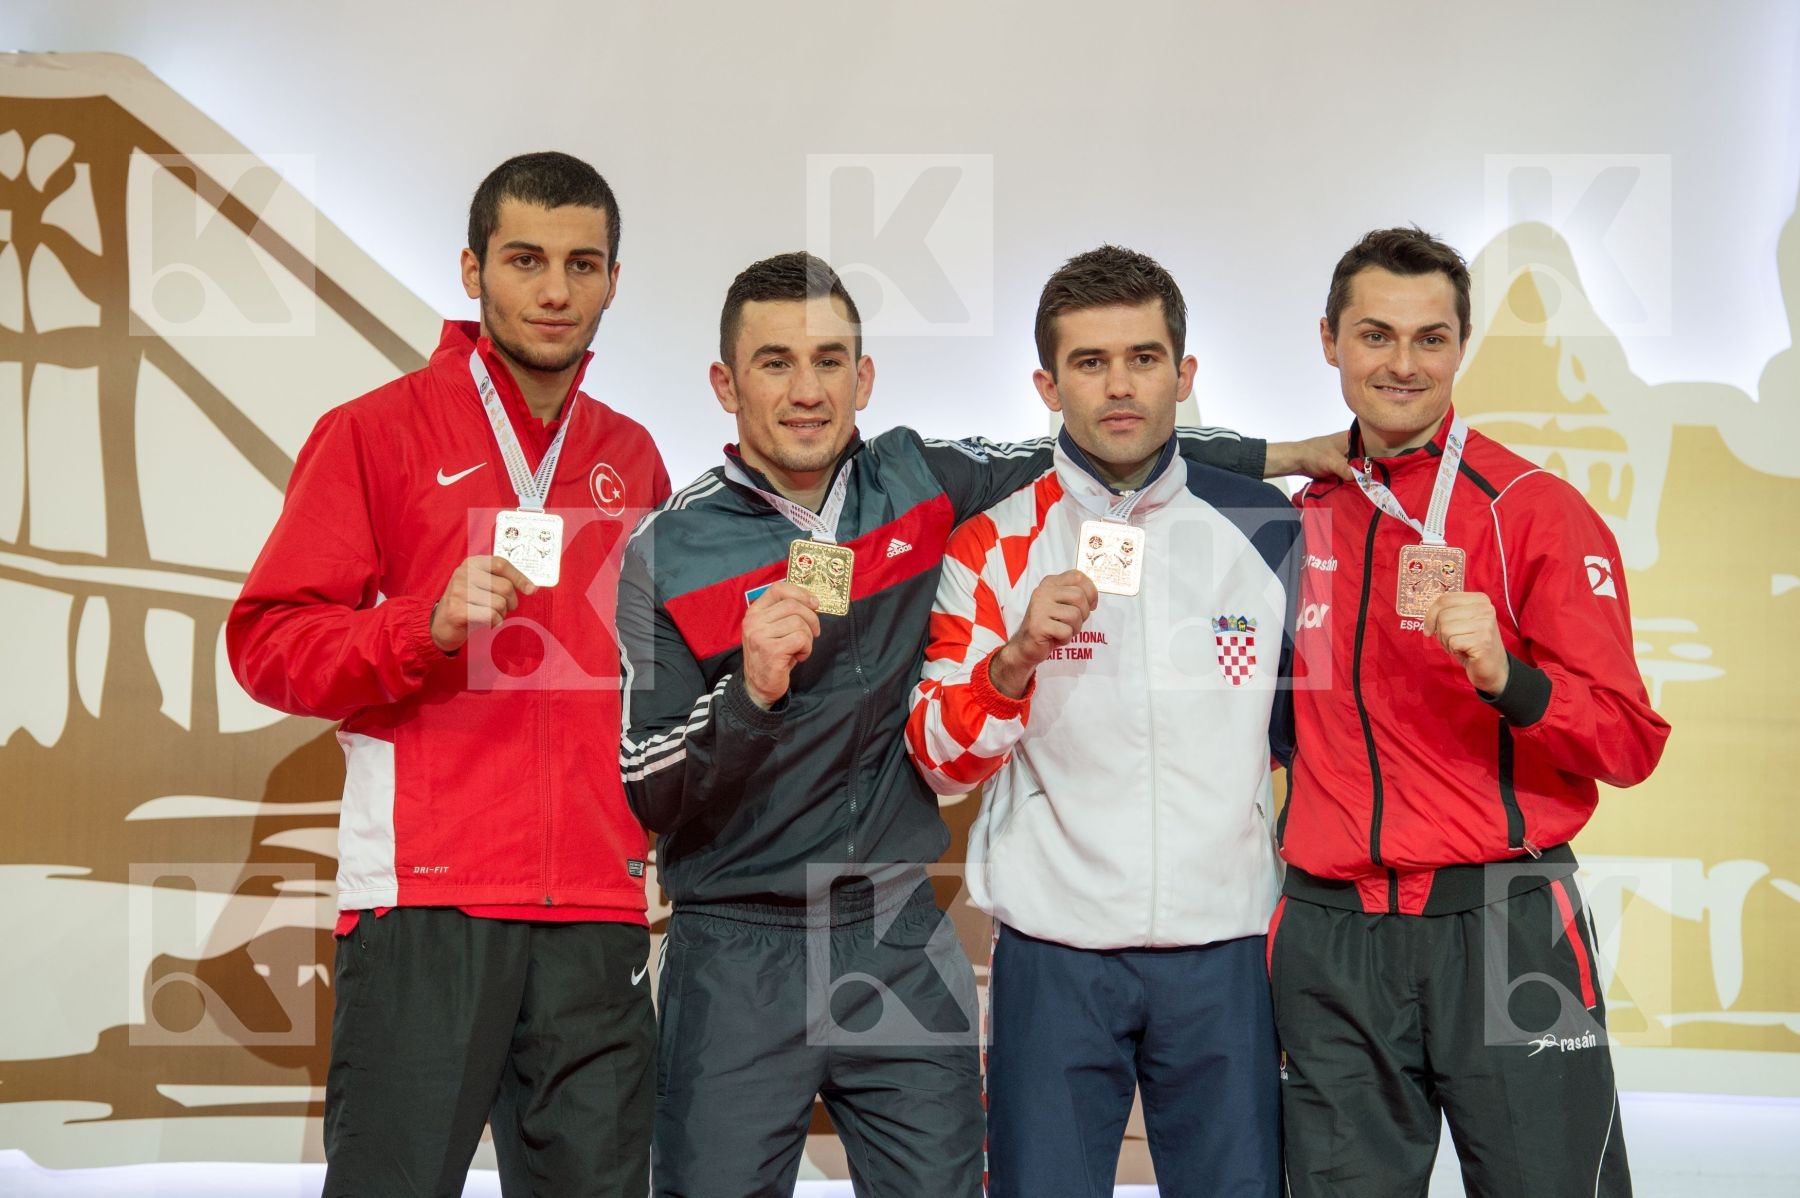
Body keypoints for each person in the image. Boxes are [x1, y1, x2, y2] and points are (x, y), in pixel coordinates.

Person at [615, 251, 1342, 1198]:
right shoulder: (670, 545)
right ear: (724, 382)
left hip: (894, 927)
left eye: (831, 361)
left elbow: (1104, 441)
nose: (807, 391)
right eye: (775, 363)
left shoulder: (915, 482)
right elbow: (648, 784)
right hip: (738, 942)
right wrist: (748, 696)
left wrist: (1278, 457)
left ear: (863, 377)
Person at [228, 152, 668, 1198]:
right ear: (472, 271)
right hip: (430, 899)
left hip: (597, 915)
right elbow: (268, 645)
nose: (555, 290)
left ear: (613, 278)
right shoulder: (374, 433)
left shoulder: (635, 456)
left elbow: (651, 679)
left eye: (581, 263)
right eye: (524, 260)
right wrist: (419, 625)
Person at [1269, 227, 1671, 1195]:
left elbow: (1627, 740)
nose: (1403, 364)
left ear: (1462, 343)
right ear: (1328, 339)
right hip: (1333, 937)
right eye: (1374, 335)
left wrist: (1510, 678)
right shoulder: (1292, 510)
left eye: (1431, 338)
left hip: (1502, 924)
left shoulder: (1532, 508)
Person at [903, 245, 1295, 1197]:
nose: (1119, 386)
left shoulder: (1267, 526)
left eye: (1144, 358)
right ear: (1048, 382)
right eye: (1089, 363)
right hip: (1055, 952)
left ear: (1184, 373)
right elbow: (939, 758)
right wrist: (1012, 662)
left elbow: (1296, 733)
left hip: (1226, 947)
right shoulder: (992, 539)